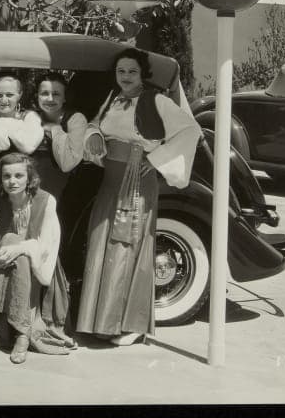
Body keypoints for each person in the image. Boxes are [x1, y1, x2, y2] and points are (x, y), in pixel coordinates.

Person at [76, 48, 201, 346]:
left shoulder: (156, 99)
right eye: (121, 71)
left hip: (136, 180)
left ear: (142, 73)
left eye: (132, 71)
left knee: (129, 245)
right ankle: (101, 322)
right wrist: (93, 135)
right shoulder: (112, 98)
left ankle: (133, 325)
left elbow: (190, 130)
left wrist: (155, 158)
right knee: (102, 245)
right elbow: (95, 124)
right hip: (109, 181)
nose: (126, 77)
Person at [0, 153, 77, 364]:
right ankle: (23, 334)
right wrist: (7, 253)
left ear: (29, 178)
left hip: (41, 265)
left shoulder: (46, 201)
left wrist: (21, 248)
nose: (12, 181)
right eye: (6, 176)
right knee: (11, 241)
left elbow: (47, 245)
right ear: (0, 180)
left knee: (19, 248)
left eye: (19, 175)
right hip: (5, 267)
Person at [31, 72, 89, 199]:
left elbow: (67, 163)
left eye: (56, 94)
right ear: (37, 97)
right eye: (44, 93)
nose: (50, 99)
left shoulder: (76, 119)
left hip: (64, 191)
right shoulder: (31, 118)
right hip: (30, 186)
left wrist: (54, 128)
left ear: (65, 97)